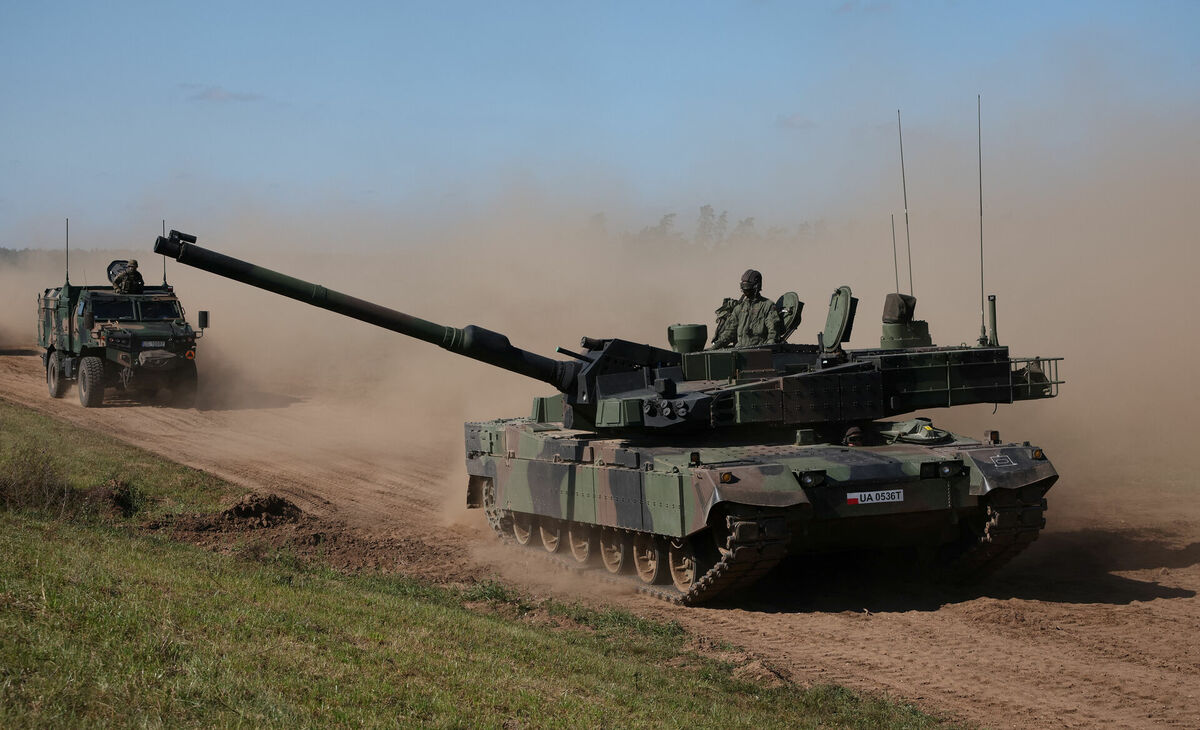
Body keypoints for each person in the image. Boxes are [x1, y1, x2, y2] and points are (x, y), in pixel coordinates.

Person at [711, 269, 781, 348]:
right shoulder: (739, 308)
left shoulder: (767, 306)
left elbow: (773, 333)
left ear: (756, 287)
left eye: (747, 288)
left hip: (759, 351)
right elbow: (729, 333)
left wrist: (767, 349)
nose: (745, 291)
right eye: (743, 288)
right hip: (740, 350)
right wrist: (716, 346)